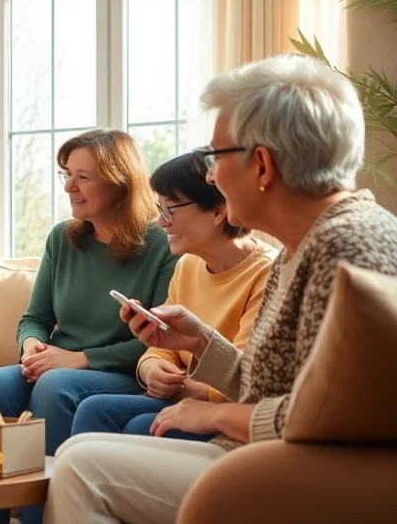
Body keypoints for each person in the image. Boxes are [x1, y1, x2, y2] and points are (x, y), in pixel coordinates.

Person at [44, 54, 397, 524]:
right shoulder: (302, 247)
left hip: (287, 467)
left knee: (82, 468)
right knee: (82, 450)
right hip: (258, 453)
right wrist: (199, 341)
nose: (210, 175)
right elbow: (275, 385)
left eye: (215, 157)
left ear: (262, 165)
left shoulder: (345, 246)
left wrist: (214, 416)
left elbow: (331, 419)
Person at [0, 128, 179, 524]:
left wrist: (79, 358)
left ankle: (40, 518)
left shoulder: (164, 242)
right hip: (58, 362)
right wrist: (31, 344)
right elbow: (35, 319)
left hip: (122, 371)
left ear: (119, 182)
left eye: (83, 176)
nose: (69, 186)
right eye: (66, 173)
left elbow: (163, 339)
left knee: (55, 385)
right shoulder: (63, 239)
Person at [70, 148, 276, 441]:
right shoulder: (188, 265)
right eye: (159, 208)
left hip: (229, 411)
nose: (160, 222)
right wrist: (152, 369)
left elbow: (251, 378)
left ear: (219, 210)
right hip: (184, 394)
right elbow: (161, 349)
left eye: (170, 209)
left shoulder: (265, 273)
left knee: (141, 427)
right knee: (93, 410)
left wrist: (182, 387)